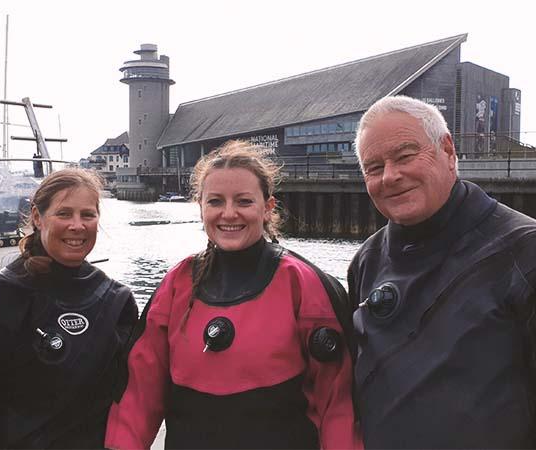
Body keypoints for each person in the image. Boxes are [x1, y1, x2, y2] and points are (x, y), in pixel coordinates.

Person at [106, 140, 360, 449]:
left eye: (243, 201)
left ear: (267, 207)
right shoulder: (177, 284)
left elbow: (337, 401)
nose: (229, 214)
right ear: (199, 206)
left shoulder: (303, 284)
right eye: (215, 202)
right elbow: (139, 395)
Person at [348, 95, 536, 449]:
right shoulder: (366, 260)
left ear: (448, 151)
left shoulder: (523, 251)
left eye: (404, 157)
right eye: (374, 168)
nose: (390, 176)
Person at [0, 168, 138, 448]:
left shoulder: (116, 300)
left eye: (87, 215)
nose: (77, 225)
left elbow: (130, 399)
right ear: (37, 217)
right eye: (64, 214)